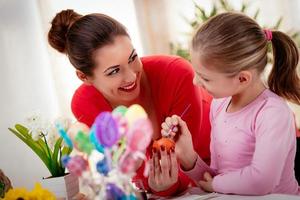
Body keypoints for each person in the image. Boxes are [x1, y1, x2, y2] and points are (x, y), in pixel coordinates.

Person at [48, 9, 212, 196]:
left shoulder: (176, 74)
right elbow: (132, 171)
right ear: (84, 76)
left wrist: (163, 186)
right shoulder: (85, 103)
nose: (132, 75)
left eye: (133, 58)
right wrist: (160, 186)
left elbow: (192, 168)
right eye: (114, 71)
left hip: (225, 173)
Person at [162, 12, 300, 195]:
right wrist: (188, 156)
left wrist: (216, 185)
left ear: (242, 78)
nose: (195, 82)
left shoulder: (273, 113)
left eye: (205, 78)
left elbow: (261, 182)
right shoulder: (219, 106)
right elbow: (218, 178)